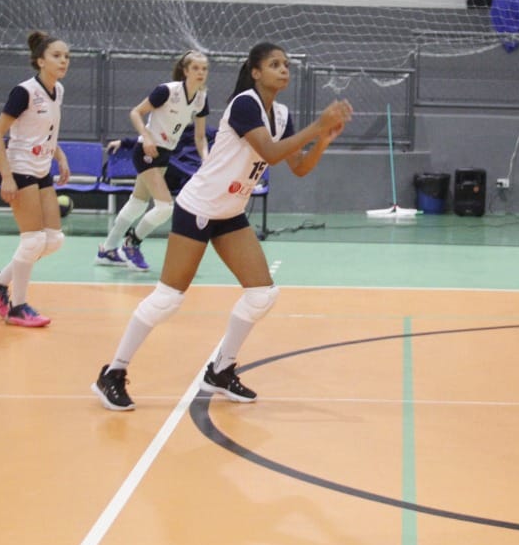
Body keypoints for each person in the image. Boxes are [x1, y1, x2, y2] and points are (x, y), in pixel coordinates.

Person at [92, 43, 353, 411]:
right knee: (168, 299)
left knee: (262, 294)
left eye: (287, 65)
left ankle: (221, 369)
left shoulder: (280, 114)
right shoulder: (245, 104)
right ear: (255, 71)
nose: (284, 70)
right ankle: (112, 373)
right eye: (275, 64)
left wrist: (322, 139)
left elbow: (296, 166)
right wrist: (318, 124)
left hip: (229, 212)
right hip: (198, 206)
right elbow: (271, 153)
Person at [0, 31, 72, 328]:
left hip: (42, 168)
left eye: (66, 56)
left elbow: (43, 132)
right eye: (57, 56)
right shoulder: (24, 91)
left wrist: (60, 156)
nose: (63, 61)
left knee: (53, 239)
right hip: (19, 169)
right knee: (32, 240)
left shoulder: (59, 90)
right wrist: (7, 177)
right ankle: (18, 307)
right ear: (40, 60)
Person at [96, 51, 211, 272]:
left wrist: (206, 159)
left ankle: (108, 249)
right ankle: (132, 243)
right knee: (165, 207)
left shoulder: (201, 99)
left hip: (165, 153)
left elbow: (200, 136)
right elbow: (136, 113)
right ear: (185, 71)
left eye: (204, 69)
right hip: (147, 150)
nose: (200, 73)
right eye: (195, 68)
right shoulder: (167, 91)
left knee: (137, 203)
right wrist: (146, 137)